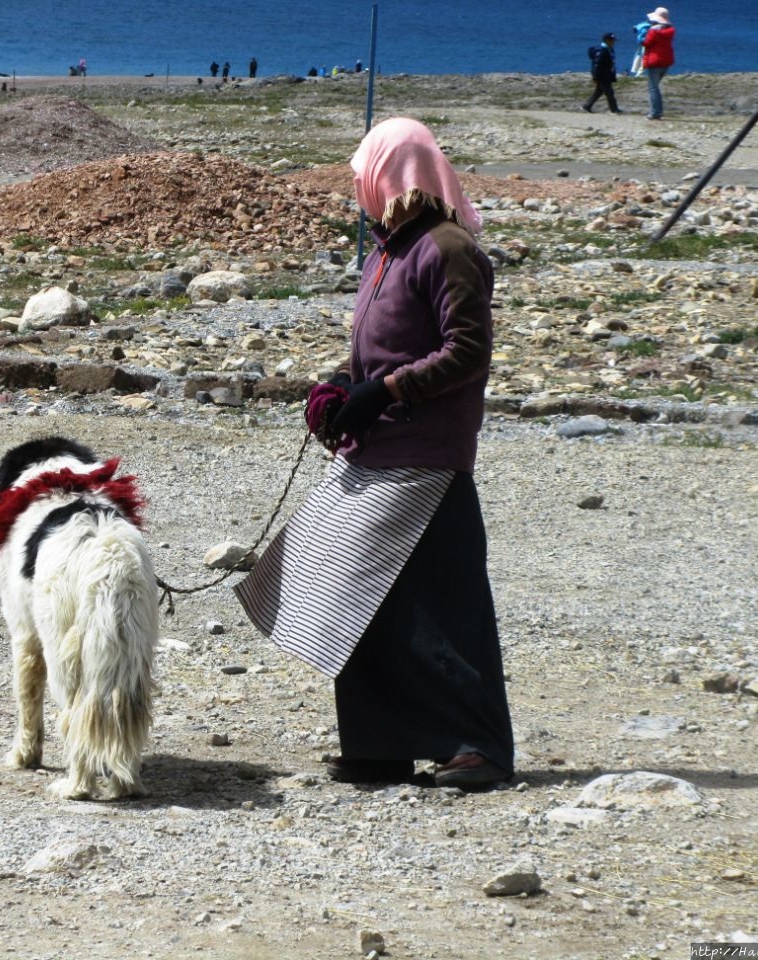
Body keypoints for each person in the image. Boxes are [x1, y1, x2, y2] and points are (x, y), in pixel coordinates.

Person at [235, 117, 514, 791]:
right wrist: (338, 388)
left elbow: (468, 352)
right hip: (380, 449)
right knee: (364, 596)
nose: (356, 182)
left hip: (427, 455)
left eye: (363, 169)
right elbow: (377, 349)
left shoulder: (447, 249)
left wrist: (381, 392)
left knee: (444, 608)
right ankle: (382, 744)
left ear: (390, 173)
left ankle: (476, 746)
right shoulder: (388, 251)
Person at [641, 6, 675, 120]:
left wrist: (643, 34)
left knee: (653, 88)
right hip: (666, 61)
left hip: (654, 61)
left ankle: (655, 112)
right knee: (655, 87)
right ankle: (658, 111)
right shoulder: (670, 31)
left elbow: (646, 43)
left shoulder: (653, 31)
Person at [582, 33, 622, 113]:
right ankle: (614, 110)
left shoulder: (609, 49)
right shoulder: (602, 50)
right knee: (609, 92)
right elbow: (597, 65)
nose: (613, 42)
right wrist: (596, 77)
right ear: (607, 41)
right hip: (602, 76)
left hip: (606, 74)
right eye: (612, 40)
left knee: (599, 91)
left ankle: (587, 106)